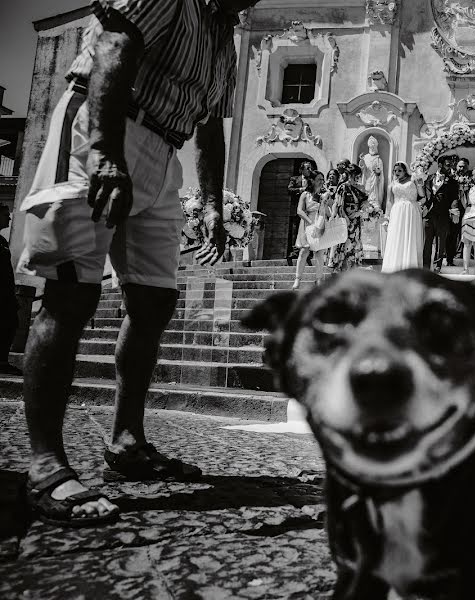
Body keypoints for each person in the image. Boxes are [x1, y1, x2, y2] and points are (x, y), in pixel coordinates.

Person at [14, 0, 258, 526]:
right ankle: (46, 465)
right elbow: (113, 44)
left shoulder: (223, 37)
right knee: (71, 293)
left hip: (165, 153)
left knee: (153, 301)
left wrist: (212, 202)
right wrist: (103, 150)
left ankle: (127, 442)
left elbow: (211, 122)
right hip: (103, 123)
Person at [382, 162, 425, 273]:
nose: (396, 173)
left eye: (399, 170)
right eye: (395, 171)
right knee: (397, 237)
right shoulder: (392, 184)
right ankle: (395, 267)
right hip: (397, 212)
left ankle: (410, 267)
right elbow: (389, 202)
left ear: (405, 171)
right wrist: (387, 218)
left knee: (411, 237)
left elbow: (422, 195)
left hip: (411, 211)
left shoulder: (413, 179)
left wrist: (420, 184)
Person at [291, 171, 331, 288]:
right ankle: (297, 279)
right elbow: (299, 210)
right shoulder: (305, 194)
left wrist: (325, 202)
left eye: (323, 179)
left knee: (319, 252)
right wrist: (310, 222)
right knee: (304, 251)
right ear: (312, 180)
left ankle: (318, 279)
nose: (322, 182)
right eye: (319, 179)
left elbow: (329, 212)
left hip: (320, 224)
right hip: (307, 224)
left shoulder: (324, 195)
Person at [422, 157, 460, 272]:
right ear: (440, 165)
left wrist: (454, 213)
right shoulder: (428, 178)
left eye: (450, 166)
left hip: (443, 215)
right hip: (428, 214)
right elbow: (423, 195)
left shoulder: (453, 182)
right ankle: (425, 268)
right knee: (427, 243)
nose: (450, 168)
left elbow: (454, 198)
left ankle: (437, 267)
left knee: (441, 243)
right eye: (447, 165)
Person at [328, 164, 366, 272]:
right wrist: (346, 220)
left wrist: (365, 206)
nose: (358, 177)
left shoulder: (360, 187)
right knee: (345, 246)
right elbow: (339, 205)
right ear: (352, 175)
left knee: (355, 245)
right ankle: (342, 270)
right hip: (346, 220)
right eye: (357, 175)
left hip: (356, 219)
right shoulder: (343, 187)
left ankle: (353, 271)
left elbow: (365, 200)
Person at [0, 205, 20, 375]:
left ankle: (3, 360)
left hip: (6, 292)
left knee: (11, 323)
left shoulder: (2, 241)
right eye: (5, 215)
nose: (9, 218)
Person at [449, 157, 471, 266]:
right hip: (455, 208)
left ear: (468, 167)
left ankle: (462, 253)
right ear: (456, 166)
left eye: (464, 166)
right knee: (453, 232)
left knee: (465, 232)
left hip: (467, 208)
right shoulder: (451, 177)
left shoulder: (471, 178)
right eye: (460, 166)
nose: (462, 168)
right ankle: (451, 255)